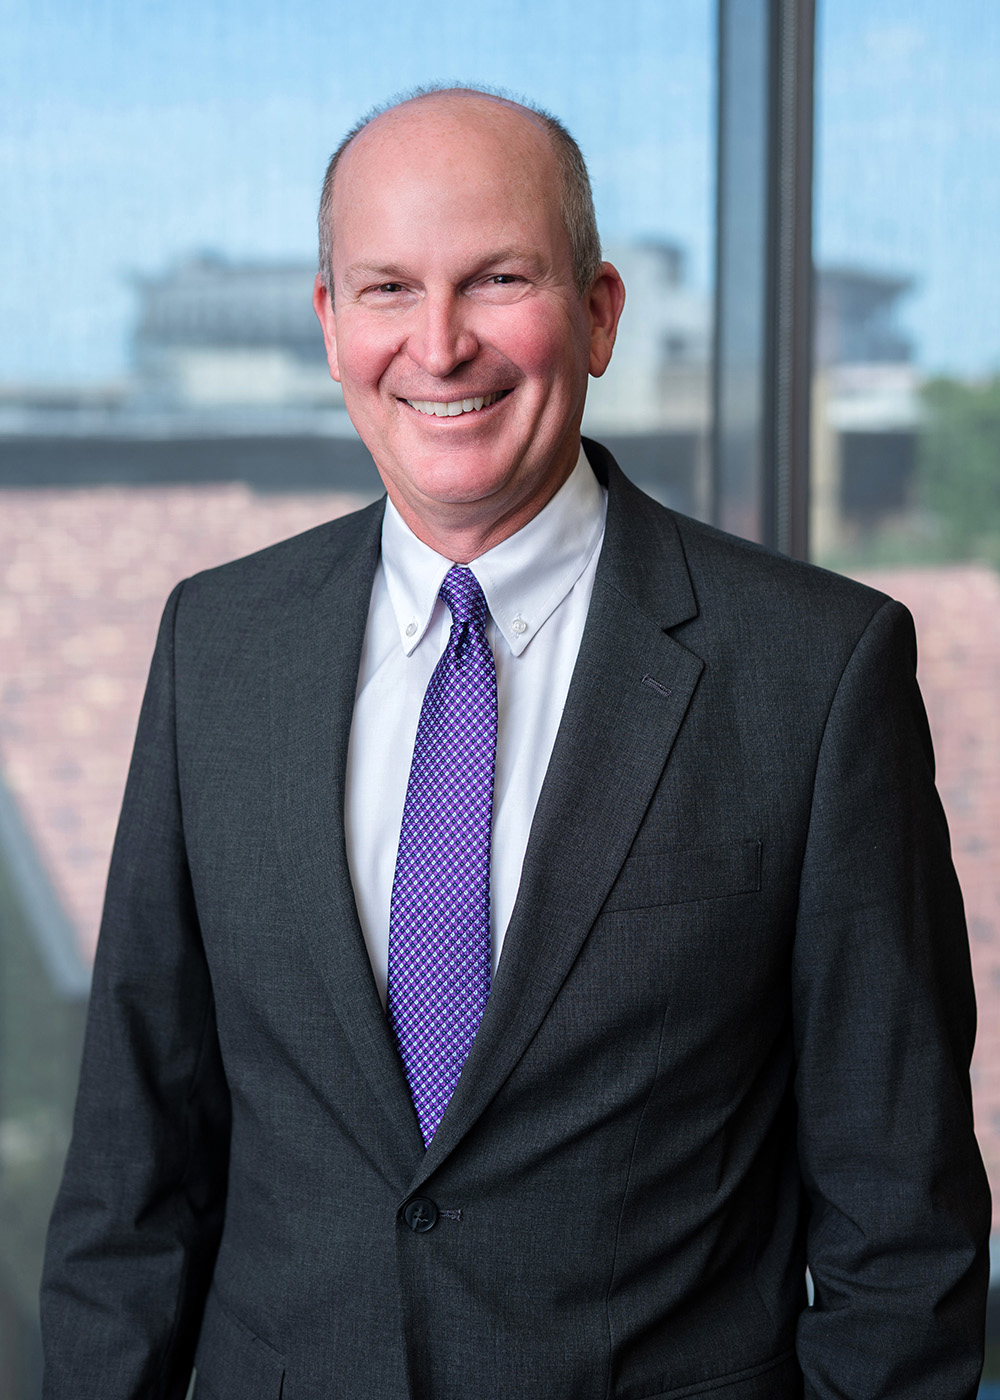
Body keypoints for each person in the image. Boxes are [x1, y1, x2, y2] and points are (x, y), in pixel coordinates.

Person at [40, 87, 990, 1400]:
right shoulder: (219, 646)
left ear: (598, 313)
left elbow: (905, 1228)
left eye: (497, 279)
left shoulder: (815, 674)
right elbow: (129, 1180)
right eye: (386, 288)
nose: (439, 346)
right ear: (330, 326)